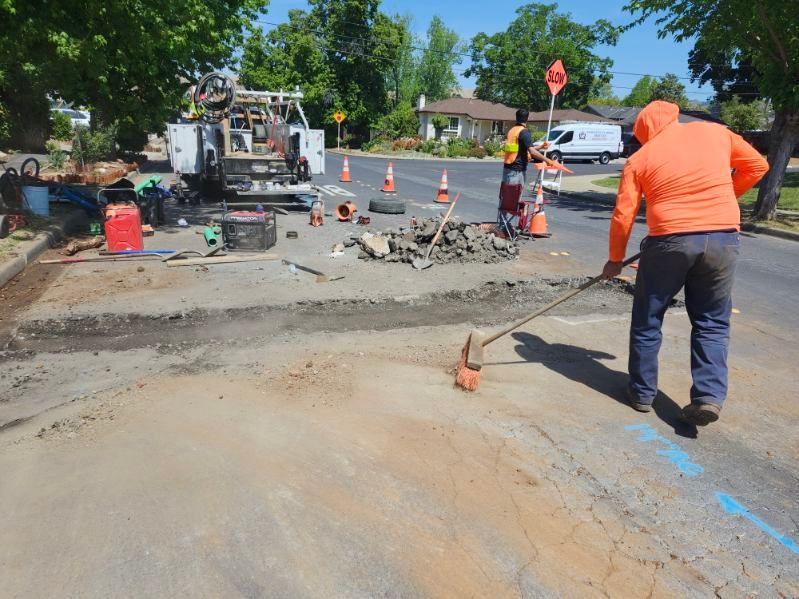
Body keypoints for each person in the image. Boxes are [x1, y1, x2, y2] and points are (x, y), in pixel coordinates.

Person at [602, 100, 768, 426]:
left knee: (648, 318)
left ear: (644, 130)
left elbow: (623, 215)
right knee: (712, 320)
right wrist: (721, 199)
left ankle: (641, 394)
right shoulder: (715, 133)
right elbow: (757, 166)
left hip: (668, 242)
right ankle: (709, 397)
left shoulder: (640, 158)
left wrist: (615, 260)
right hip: (723, 237)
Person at [503, 108, 554, 185]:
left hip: (508, 168)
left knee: (508, 195)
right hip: (517, 171)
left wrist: (540, 147)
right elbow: (532, 152)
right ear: (527, 118)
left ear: (516, 118)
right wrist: (548, 160)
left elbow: (520, 148)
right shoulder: (524, 132)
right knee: (514, 195)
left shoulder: (512, 130)